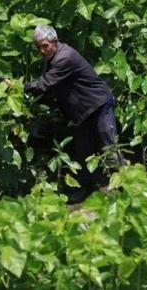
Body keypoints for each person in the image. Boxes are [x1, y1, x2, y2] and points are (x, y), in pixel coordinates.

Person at [23, 25, 124, 203]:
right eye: (38, 47)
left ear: (54, 42)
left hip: (98, 104)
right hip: (83, 111)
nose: (41, 50)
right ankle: (86, 189)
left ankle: (128, 187)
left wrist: (19, 87)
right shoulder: (54, 57)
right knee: (83, 151)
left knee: (109, 146)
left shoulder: (64, 57)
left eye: (44, 45)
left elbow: (44, 84)